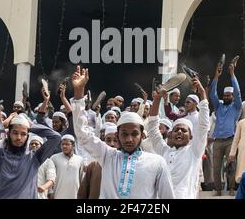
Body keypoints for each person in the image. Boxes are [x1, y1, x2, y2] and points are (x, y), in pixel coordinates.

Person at [70, 65, 175, 198]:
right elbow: (82, 134)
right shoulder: (108, 156)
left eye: (134, 134)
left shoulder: (157, 162)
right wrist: (79, 93)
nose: (129, 139)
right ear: (117, 135)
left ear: (142, 135)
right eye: (124, 134)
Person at [0, 111, 61, 199]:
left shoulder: (34, 158)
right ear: (8, 134)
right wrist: (3, 125)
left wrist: (31, 126)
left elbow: (56, 137)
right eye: (15, 133)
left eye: (23, 134)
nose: (19, 138)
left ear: (27, 136)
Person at [147, 76, 210, 199]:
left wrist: (202, 92)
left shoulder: (194, 151)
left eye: (183, 130)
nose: (179, 132)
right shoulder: (164, 151)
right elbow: (153, 127)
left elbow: (203, 125)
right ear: (170, 134)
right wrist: (158, 98)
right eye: (176, 130)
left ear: (191, 136)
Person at [209, 59, 242, 196]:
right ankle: (218, 190)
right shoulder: (218, 106)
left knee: (231, 166)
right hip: (217, 141)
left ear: (233, 97)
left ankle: (231, 189)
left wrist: (232, 74)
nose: (226, 97)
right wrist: (216, 76)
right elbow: (212, 94)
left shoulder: (236, 107)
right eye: (225, 95)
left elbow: (239, 92)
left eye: (229, 95)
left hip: (230, 140)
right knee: (216, 168)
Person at [77, 125, 119, 199]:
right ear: (104, 142)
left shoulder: (126, 165)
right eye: (108, 140)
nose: (112, 144)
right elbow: (83, 192)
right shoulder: (93, 166)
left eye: (115, 140)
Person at [51, 134, 84, 199]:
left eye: (67, 144)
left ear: (73, 146)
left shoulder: (80, 159)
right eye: (62, 144)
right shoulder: (54, 158)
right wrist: (50, 192)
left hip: (75, 195)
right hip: (58, 195)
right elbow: (50, 177)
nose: (64, 146)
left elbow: (81, 178)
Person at [28, 135, 56, 199]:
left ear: (41, 147)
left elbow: (51, 179)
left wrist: (44, 187)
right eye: (31, 144)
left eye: (36, 144)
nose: (34, 145)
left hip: (40, 196)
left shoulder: (48, 161)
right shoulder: (23, 160)